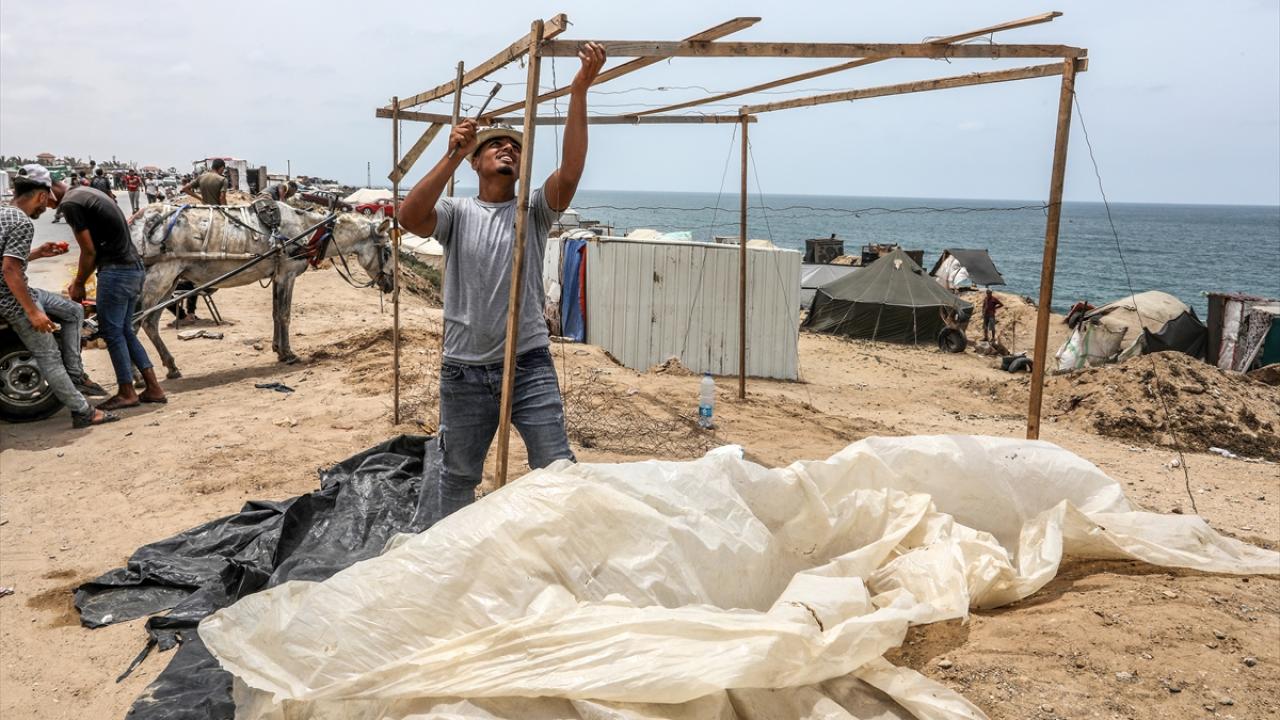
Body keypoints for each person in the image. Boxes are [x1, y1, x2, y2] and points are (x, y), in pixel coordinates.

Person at [399, 42, 606, 519]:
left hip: (527, 362)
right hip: (464, 369)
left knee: (556, 467)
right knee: (457, 477)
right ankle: (452, 549)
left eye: (515, 146)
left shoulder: (531, 211)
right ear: (475, 162)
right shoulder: (456, 212)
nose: (508, 148)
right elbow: (409, 216)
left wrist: (578, 92)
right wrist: (452, 154)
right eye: (495, 144)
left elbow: (571, 172)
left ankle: (558, 543)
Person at [1, 165, 115, 427]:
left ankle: (75, 375)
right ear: (41, 195)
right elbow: (10, 270)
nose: (47, 206)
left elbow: (6, 261)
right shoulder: (21, 222)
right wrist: (33, 312)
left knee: (74, 310)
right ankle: (83, 412)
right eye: (47, 199)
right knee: (49, 356)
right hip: (12, 299)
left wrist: (38, 253)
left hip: (22, 291)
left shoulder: (3, 213)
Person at [63, 181, 167, 409]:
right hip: (133, 268)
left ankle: (127, 392)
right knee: (125, 331)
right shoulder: (89, 194)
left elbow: (88, 251)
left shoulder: (70, 203)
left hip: (116, 272)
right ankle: (153, 388)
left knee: (112, 332)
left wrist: (78, 283)